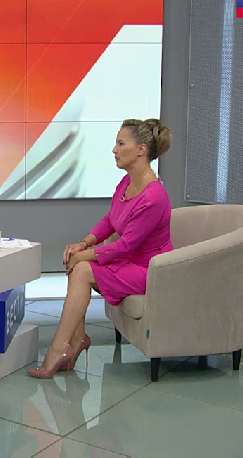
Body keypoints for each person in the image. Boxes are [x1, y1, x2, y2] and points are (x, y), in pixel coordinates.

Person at [27, 119, 173, 379]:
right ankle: (76, 340)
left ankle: (58, 349)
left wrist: (82, 256)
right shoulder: (127, 182)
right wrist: (83, 244)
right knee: (78, 264)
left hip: (149, 270)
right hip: (128, 262)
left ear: (141, 150)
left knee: (81, 268)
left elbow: (126, 245)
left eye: (121, 143)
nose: (114, 150)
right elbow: (111, 220)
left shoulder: (153, 197)